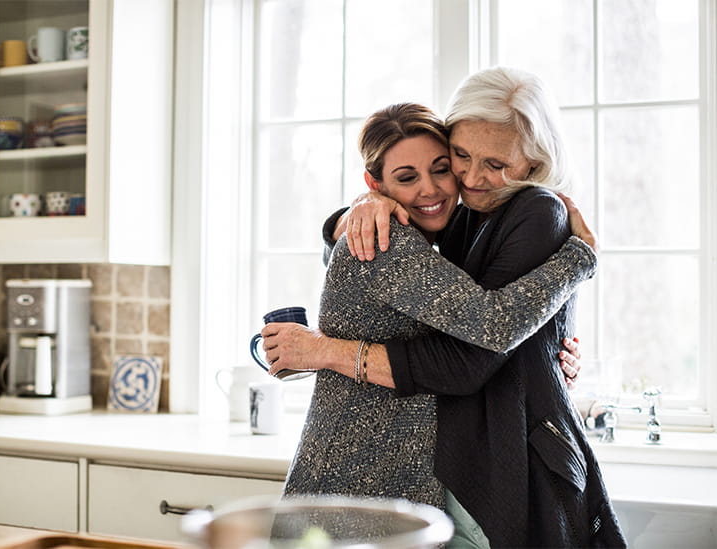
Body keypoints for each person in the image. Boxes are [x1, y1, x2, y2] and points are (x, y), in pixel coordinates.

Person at [263, 69, 625, 548]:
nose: (467, 179)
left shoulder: (508, 213)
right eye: (461, 156)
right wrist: (350, 216)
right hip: (374, 473)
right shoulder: (427, 227)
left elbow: (479, 335)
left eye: (494, 163)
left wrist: (545, 348)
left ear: (535, 160)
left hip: (428, 469)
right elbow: (472, 320)